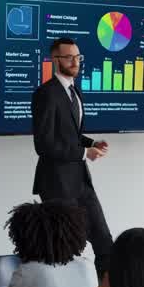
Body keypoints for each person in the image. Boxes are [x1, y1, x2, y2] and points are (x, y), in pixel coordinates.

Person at [31, 37, 114, 270]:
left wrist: (92, 142)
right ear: (55, 59)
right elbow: (44, 144)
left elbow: (70, 134)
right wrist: (84, 152)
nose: (75, 61)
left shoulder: (75, 91)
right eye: (69, 57)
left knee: (103, 239)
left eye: (78, 57)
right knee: (66, 247)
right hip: (57, 183)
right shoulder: (45, 94)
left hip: (81, 181)